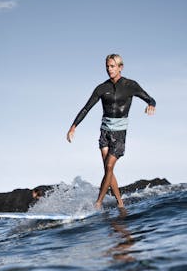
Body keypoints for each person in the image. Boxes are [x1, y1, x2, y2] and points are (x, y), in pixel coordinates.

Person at [66, 54, 156, 209]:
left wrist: (151, 105)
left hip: (119, 133)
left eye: (112, 66)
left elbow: (150, 98)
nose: (109, 69)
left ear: (120, 67)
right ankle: (120, 204)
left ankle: (98, 202)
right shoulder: (102, 88)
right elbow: (86, 108)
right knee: (108, 168)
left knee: (109, 167)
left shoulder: (130, 85)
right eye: (107, 66)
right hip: (105, 132)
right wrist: (74, 126)